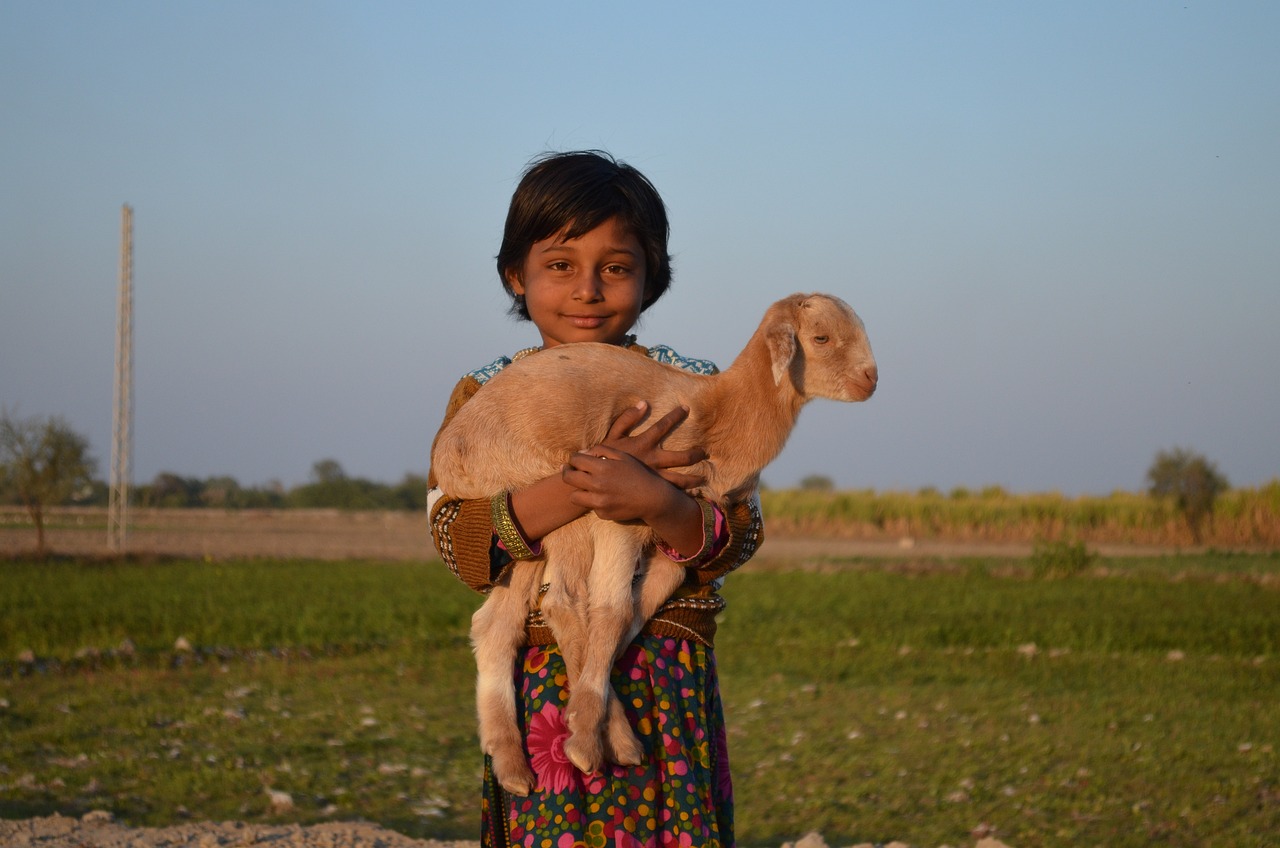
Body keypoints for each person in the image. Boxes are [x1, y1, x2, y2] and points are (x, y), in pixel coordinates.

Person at [427, 150, 763, 848]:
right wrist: (585, 482)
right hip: (543, 671)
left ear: (651, 278)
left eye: (615, 266)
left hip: (660, 673)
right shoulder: (485, 398)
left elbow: (736, 533)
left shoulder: (689, 391)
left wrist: (652, 500)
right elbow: (461, 544)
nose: (587, 289)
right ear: (515, 275)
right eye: (559, 265)